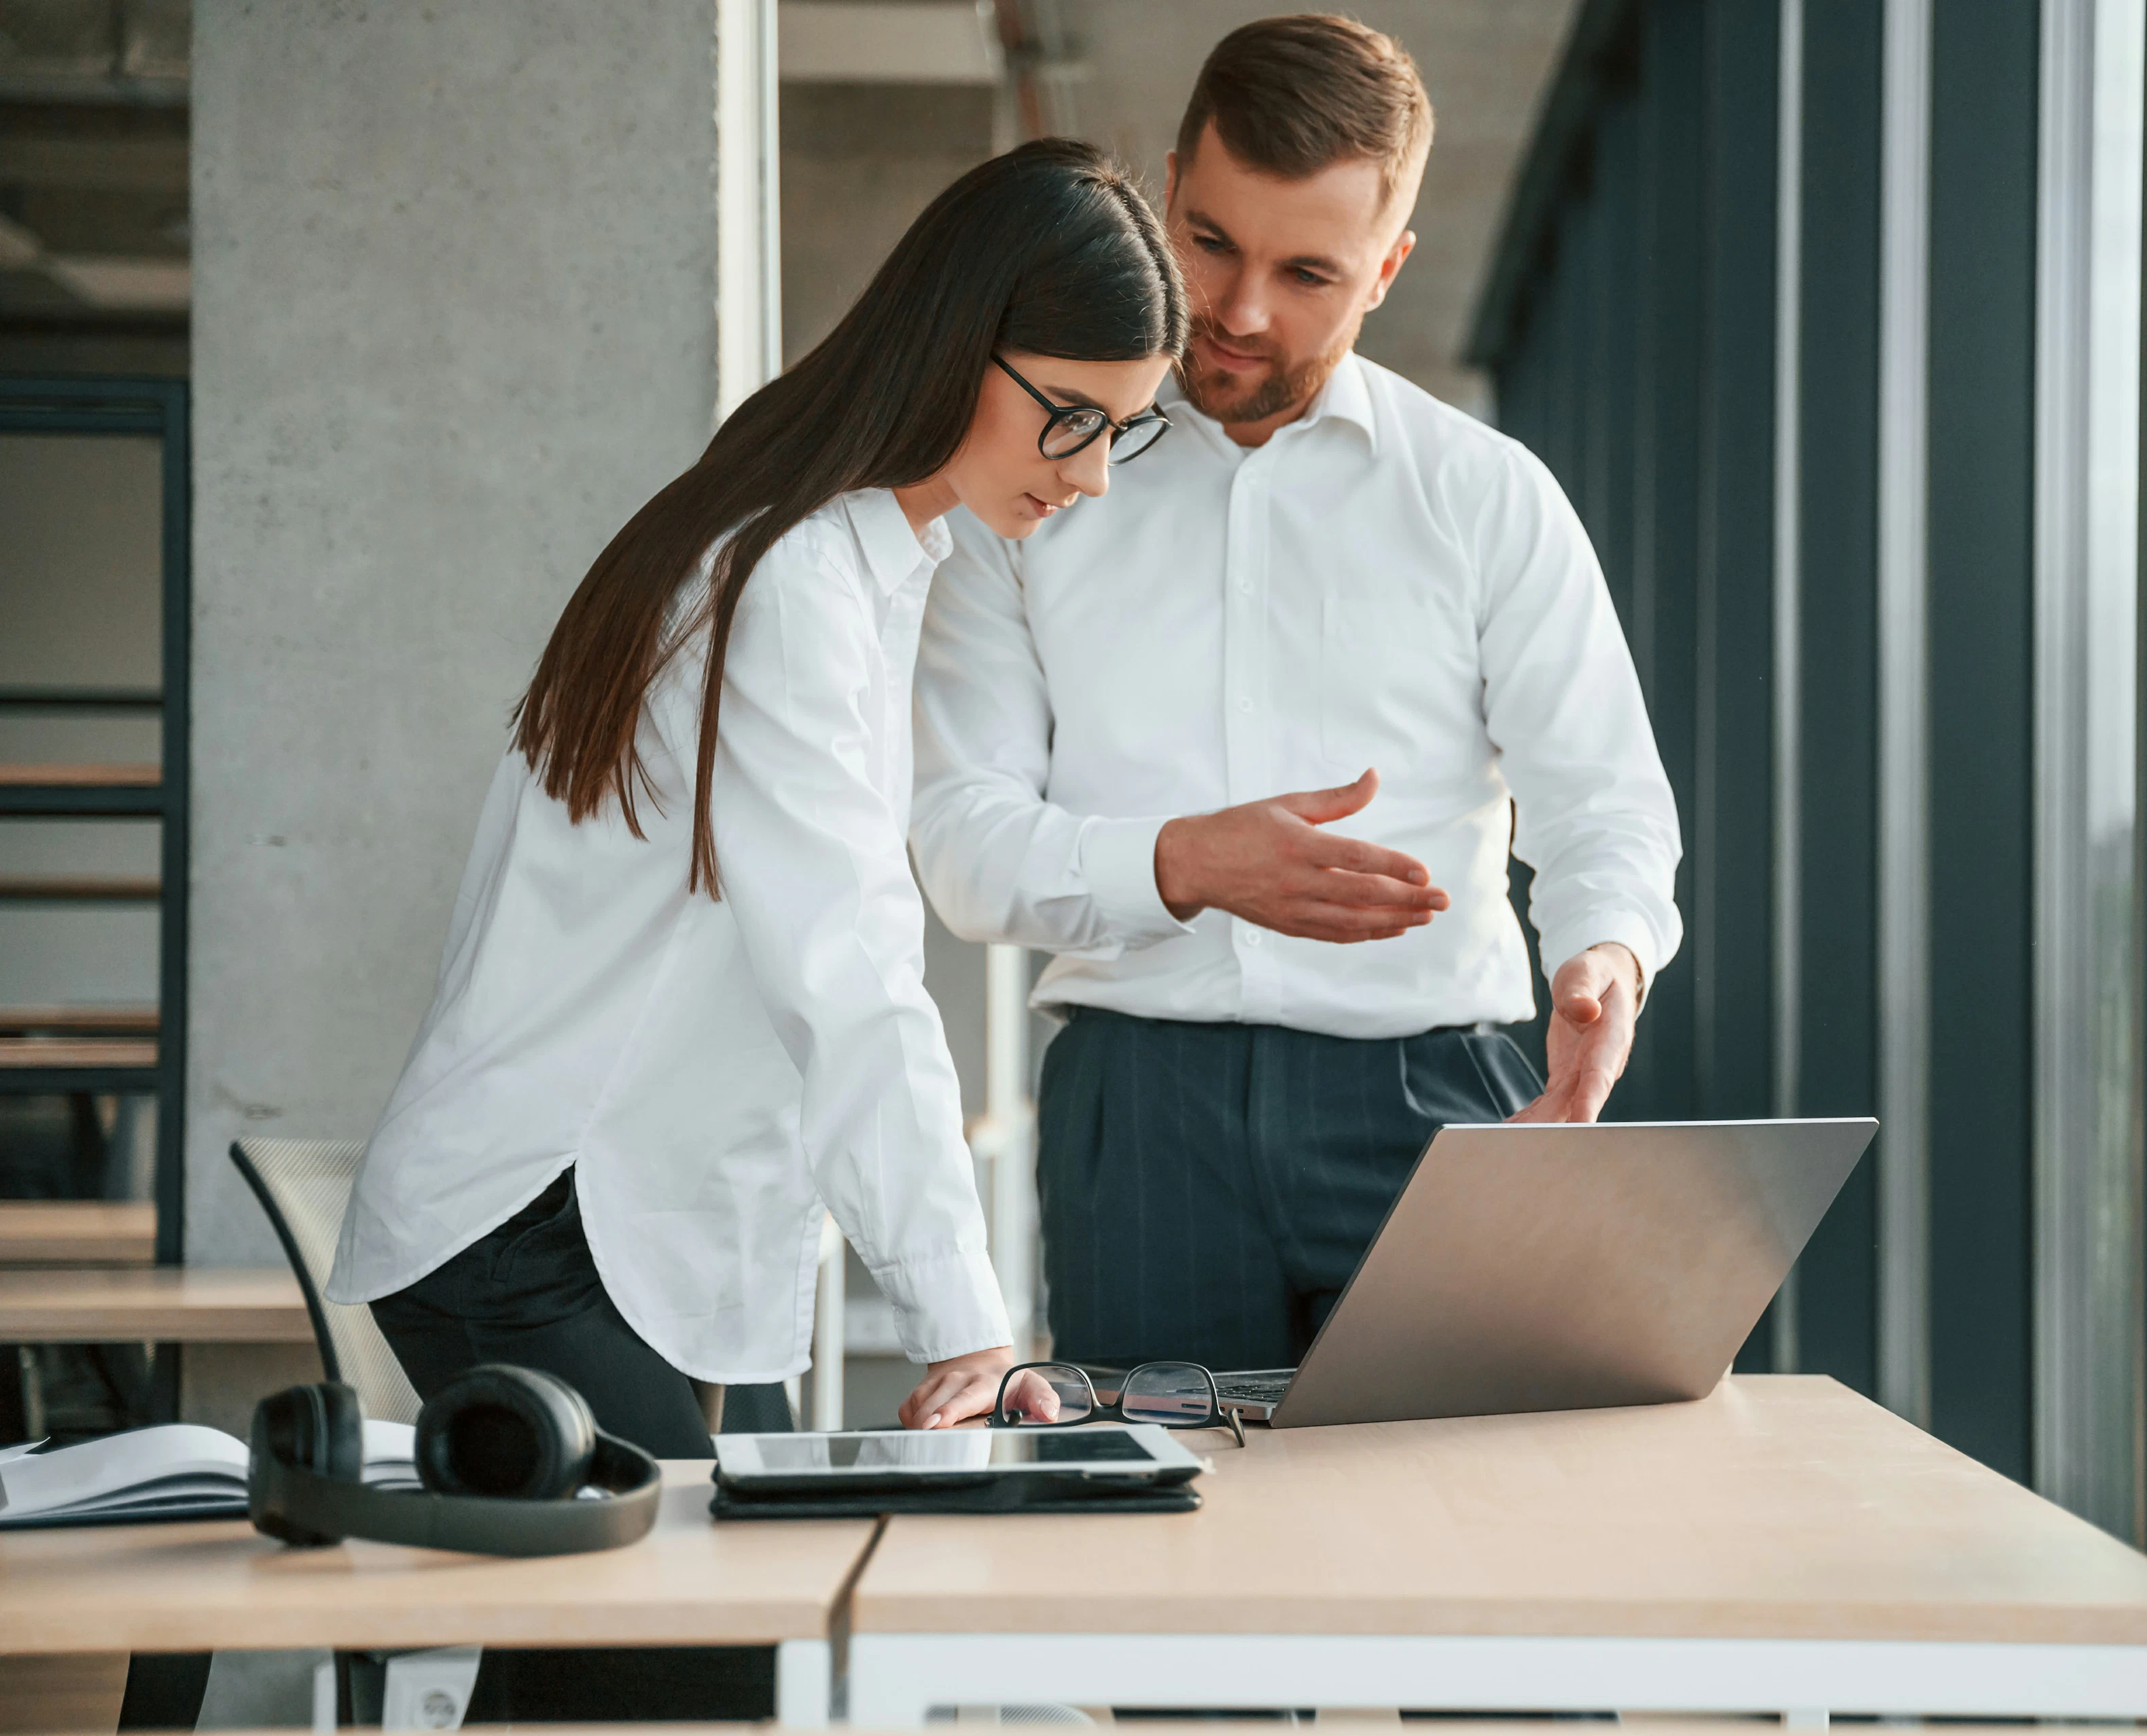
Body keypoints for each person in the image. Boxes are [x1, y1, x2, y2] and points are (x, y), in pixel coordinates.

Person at [326, 139, 1188, 1451]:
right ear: (961, 344)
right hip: (542, 1218)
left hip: (615, 1222)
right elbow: (845, 965)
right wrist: (964, 1316)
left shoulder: (848, 558)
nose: (1091, 474)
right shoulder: (789, 581)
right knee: (698, 1642)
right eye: (1069, 414)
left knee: (678, 1643)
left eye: (1123, 429)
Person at [911, 18, 1683, 1375]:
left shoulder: (1487, 495)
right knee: (1165, 1560)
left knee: (1453, 1537)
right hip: (1141, 1107)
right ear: (1165, 193)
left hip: (1436, 1099)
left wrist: (1603, 954)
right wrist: (1183, 863)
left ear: (1388, 268)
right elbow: (963, 845)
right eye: (1211, 242)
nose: (1242, 309)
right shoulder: (1023, 487)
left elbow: (1606, 801)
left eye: (1309, 270)